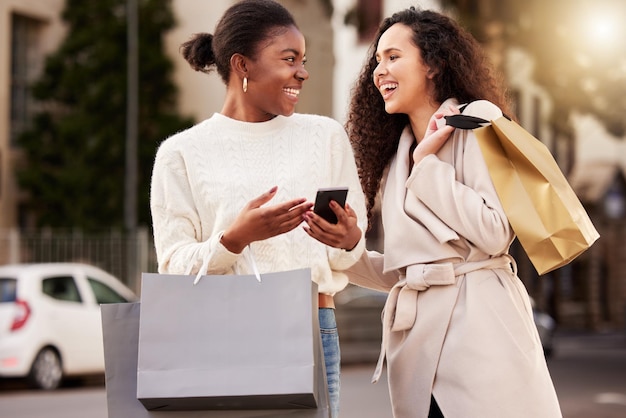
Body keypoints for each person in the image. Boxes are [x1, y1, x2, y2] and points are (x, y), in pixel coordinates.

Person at [149, 1, 367, 416]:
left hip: (311, 328)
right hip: (218, 334)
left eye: (303, 61)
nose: (302, 72)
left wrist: (349, 237)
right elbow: (173, 266)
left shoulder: (325, 137)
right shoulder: (180, 153)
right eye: (289, 59)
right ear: (241, 65)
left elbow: (347, 253)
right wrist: (236, 239)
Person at [344, 6, 562, 418]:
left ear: (433, 63)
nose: (379, 71)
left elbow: (495, 232)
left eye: (393, 57)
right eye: (377, 61)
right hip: (419, 353)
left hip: (481, 337)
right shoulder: (398, 157)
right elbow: (412, 273)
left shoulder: (476, 124)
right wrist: (348, 248)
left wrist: (429, 166)